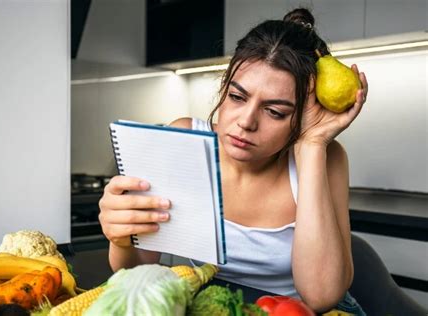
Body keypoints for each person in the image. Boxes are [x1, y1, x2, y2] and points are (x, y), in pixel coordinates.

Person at [98, 8, 368, 315]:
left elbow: (321, 297)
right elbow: (138, 269)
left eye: (275, 112)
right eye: (237, 97)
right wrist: (121, 238)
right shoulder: (185, 139)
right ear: (224, 87)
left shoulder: (325, 156)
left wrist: (311, 145)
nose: (246, 122)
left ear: (304, 114)